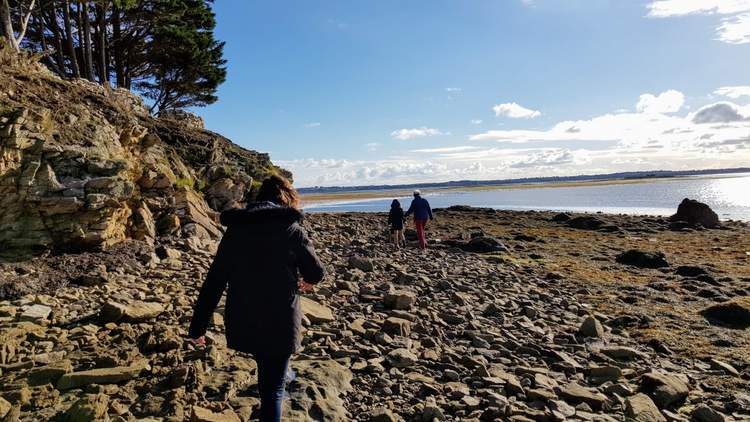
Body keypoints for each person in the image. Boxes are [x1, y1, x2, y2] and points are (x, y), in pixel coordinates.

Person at [188, 174, 325, 422]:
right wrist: (309, 281)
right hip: (281, 318)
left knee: (267, 373)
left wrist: (198, 327)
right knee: (274, 389)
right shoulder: (291, 229)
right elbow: (315, 272)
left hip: (246, 317)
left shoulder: (235, 232)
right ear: (286, 198)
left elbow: (215, 282)